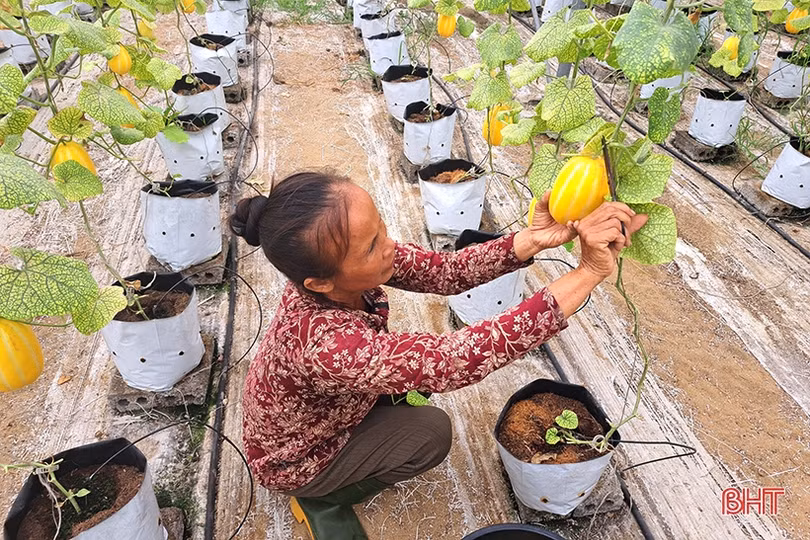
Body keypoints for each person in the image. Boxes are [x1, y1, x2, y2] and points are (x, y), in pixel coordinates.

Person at [230, 171, 647, 540]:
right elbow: (457, 357)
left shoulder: (339, 272)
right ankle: (322, 497)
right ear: (319, 283)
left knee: (410, 397)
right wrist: (588, 272)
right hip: (297, 457)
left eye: (382, 228)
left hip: (321, 412)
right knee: (429, 432)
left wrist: (532, 239)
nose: (391, 245)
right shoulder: (328, 346)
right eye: (373, 245)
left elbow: (446, 272)